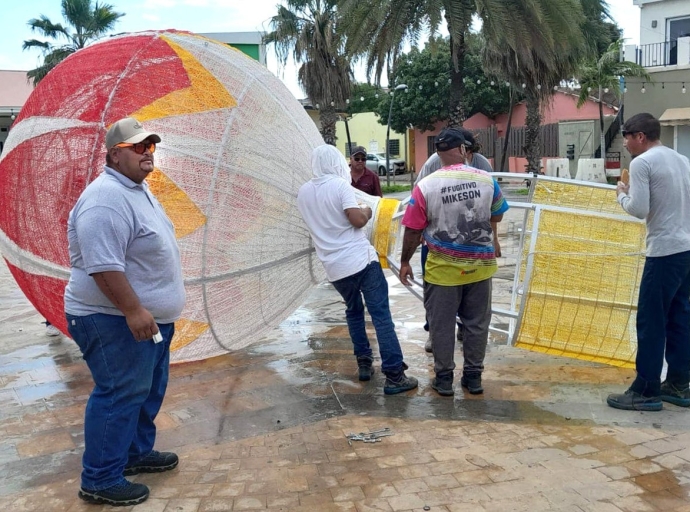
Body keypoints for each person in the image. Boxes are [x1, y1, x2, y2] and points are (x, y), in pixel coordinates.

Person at [64, 117, 185, 506]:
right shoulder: (105, 199)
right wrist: (134, 310)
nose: (147, 154)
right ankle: (99, 478)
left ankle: (133, 454)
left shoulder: (137, 190)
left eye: (150, 146)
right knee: (119, 394)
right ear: (115, 155)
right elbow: (103, 265)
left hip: (147, 319)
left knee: (145, 390)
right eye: (138, 148)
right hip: (113, 319)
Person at [298, 144, 418, 395]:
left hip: (334, 268)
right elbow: (357, 220)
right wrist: (366, 210)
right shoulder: (340, 186)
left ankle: (364, 363)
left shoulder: (304, 192)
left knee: (353, 312)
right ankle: (395, 376)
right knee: (381, 316)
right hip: (360, 261)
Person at [399, 128, 508, 396]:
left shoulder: (425, 186)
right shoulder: (486, 179)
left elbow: (413, 229)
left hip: (443, 270)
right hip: (480, 267)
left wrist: (405, 261)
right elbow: (498, 213)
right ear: (462, 150)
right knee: (476, 323)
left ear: (438, 153)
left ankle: (444, 379)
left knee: (442, 324)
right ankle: (473, 378)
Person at [607, 113, 690, 411]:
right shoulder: (681, 160)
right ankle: (679, 382)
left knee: (651, 320)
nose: (626, 141)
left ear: (640, 136)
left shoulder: (642, 163)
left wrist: (620, 195)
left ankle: (646, 388)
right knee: (680, 316)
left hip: (664, 251)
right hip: (686, 249)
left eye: (627, 135)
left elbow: (640, 209)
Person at [414, 129, 501, 353]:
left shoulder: (482, 166)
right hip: (439, 240)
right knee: (435, 294)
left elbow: (493, 209)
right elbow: (419, 195)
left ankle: (465, 328)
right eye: (465, 149)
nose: (467, 155)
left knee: (474, 300)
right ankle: (434, 332)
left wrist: (495, 239)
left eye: (470, 150)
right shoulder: (434, 163)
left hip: (475, 243)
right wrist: (423, 234)